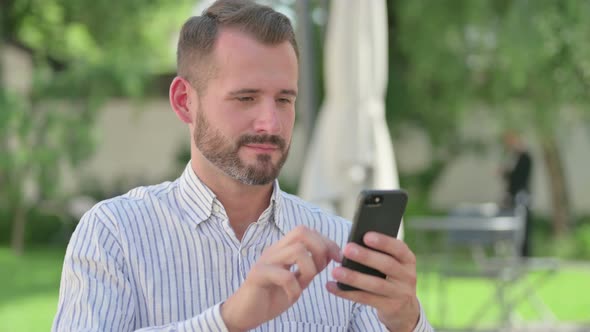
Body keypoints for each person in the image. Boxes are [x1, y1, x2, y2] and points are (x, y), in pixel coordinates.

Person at [52, 1, 433, 331]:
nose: (270, 123)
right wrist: (228, 320)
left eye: (284, 99)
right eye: (246, 97)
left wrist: (407, 322)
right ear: (185, 101)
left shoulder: (336, 248)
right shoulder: (114, 234)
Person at [500, 131, 533, 257]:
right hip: (512, 197)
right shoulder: (512, 156)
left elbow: (519, 179)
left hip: (520, 198)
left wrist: (507, 173)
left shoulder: (525, 157)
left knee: (523, 228)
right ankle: (514, 254)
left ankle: (524, 255)